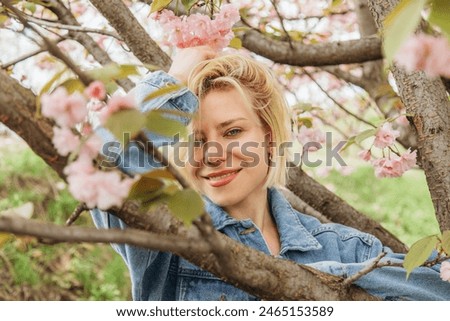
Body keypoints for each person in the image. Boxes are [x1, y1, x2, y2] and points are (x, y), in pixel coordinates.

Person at [91, 46, 450, 301]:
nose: (214, 155)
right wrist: (174, 80)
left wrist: (319, 276)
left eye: (232, 132)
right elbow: (98, 164)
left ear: (268, 137)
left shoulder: (346, 251)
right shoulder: (167, 243)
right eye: (196, 141)